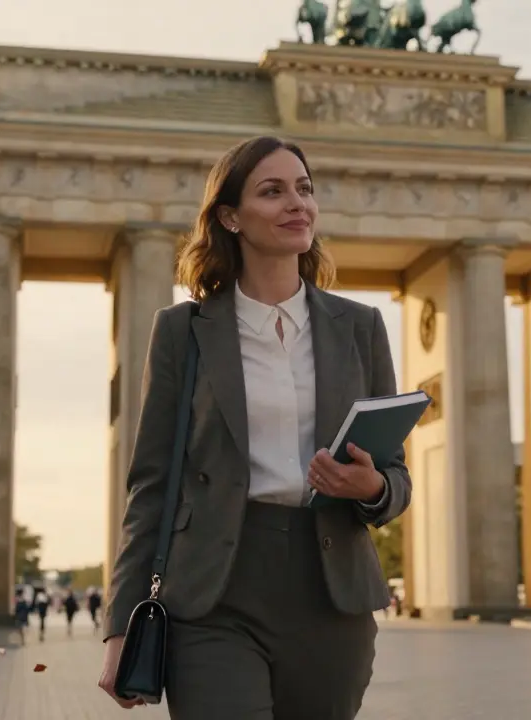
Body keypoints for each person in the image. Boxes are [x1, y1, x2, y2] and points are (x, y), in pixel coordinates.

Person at [97, 135, 411, 718]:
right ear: (230, 217)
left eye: (305, 189)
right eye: (273, 191)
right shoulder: (183, 331)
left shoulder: (360, 327)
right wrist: (121, 624)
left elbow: (394, 478)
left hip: (329, 594)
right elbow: (152, 485)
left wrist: (372, 488)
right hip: (214, 592)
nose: (298, 204)